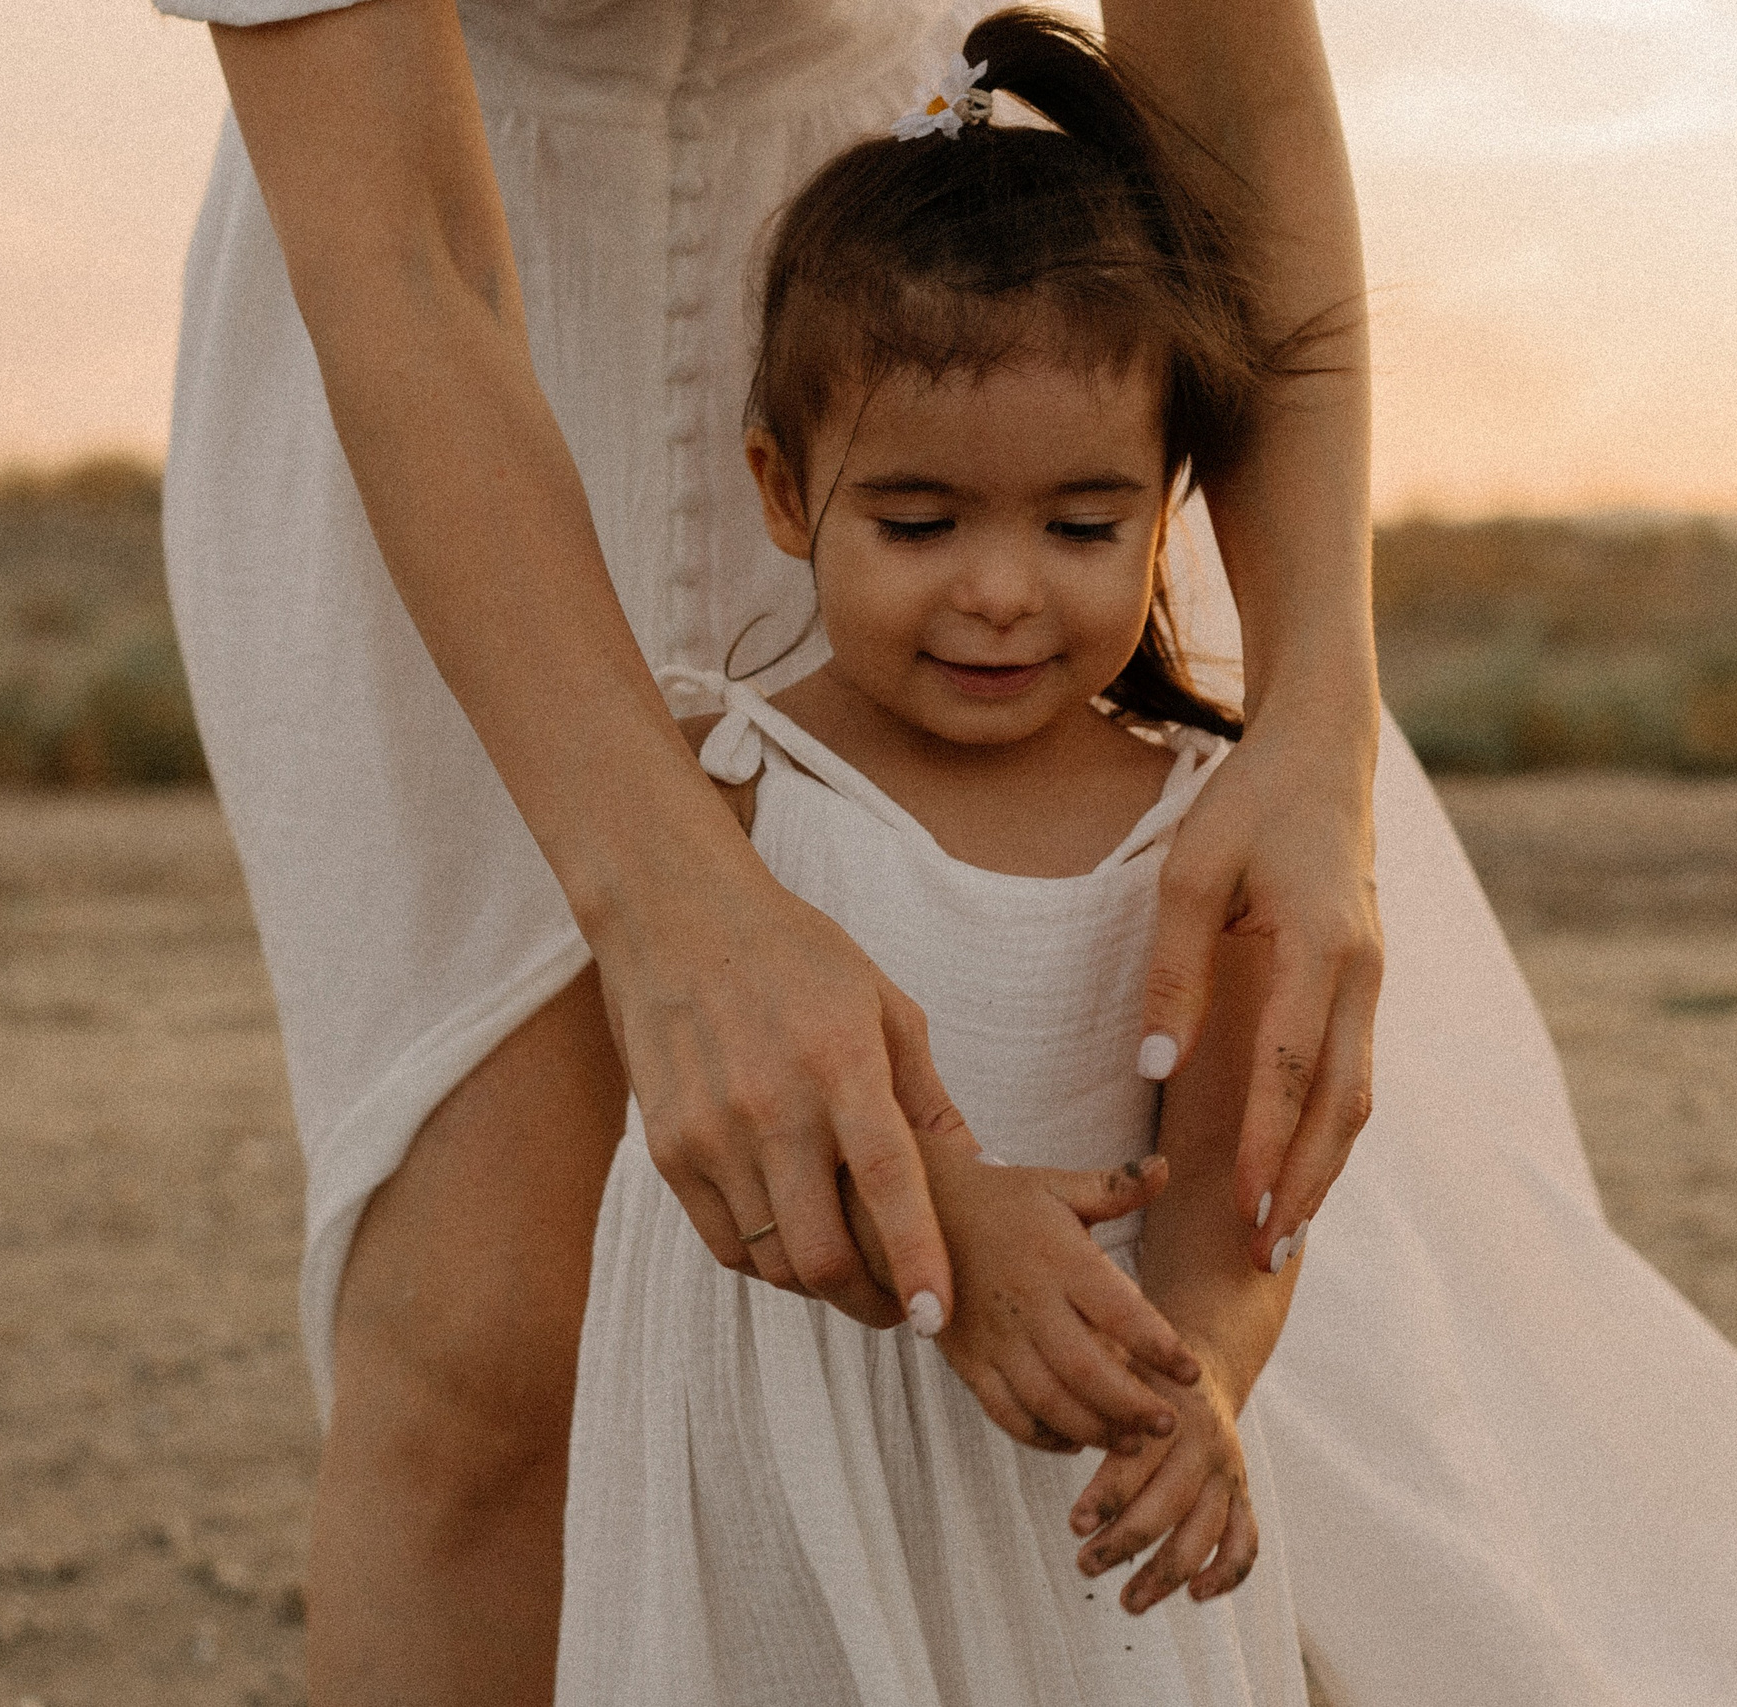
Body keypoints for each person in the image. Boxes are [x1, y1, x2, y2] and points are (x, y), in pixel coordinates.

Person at [155, 0, 1737, 1701]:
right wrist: (674, 911)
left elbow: (1240, 106)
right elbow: (401, 261)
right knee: (482, 1347)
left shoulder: (1038, 511)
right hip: (436, 328)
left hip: (982, 316)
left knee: (1361, 1367)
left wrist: (1313, 729)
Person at [561, 25, 1314, 1699]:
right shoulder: (734, 786)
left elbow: (1232, 1211)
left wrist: (1200, 1380)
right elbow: (699, 1126)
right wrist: (949, 1234)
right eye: (919, 524)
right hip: (796, 1434)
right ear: (782, 487)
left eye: (1078, 525)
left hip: (1073, 1471)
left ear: (1166, 504)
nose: (998, 589)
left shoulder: (1200, 827)